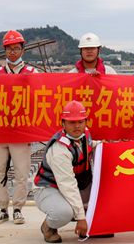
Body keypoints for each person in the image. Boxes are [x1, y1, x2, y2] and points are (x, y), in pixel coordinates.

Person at [33, 101, 105, 242]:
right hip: (49, 188)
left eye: (80, 122)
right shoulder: (59, 150)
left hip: (76, 185)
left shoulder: (84, 136)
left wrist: (103, 147)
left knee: (105, 193)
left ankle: (89, 223)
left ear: (86, 122)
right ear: (63, 124)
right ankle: (48, 226)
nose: (77, 126)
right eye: (72, 122)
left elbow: (89, 148)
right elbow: (68, 185)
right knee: (63, 213)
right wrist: (81, 217)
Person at [0, 31, 34, 226]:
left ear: (23, 50)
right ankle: (2, 209)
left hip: (21, 132)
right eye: (9, 49)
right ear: (4, 51)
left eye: (16, 48)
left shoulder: (32, 73)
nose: (13, 52)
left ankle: (17, 209)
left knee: (21, 172)